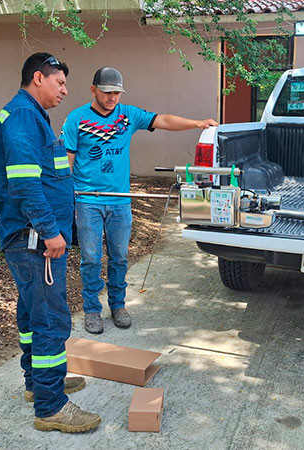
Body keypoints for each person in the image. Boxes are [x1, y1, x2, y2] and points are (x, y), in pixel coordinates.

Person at [62, 67, 218, 334]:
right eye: (107, 92)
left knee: (120, 256)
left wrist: (197, 123)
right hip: (87, 200)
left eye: (117, 93)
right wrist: (67, 198)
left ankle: (118, 305)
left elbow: (163, 120)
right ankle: (91, 310)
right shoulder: (76, 119)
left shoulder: (128, 115)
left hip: (120, 200)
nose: (112, 98)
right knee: (91, 258)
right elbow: (67, 162)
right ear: (93, 90)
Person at [0, 52, 100, 433]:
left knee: (31, 314)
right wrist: (51, 232)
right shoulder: (23, 116)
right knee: (51, 319)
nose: (65, 91)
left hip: (31, 236)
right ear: (38, 78)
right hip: (35, 238)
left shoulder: (28, 115)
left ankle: (38, 384)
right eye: (60, 83)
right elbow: (23, 182)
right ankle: (51, 406)